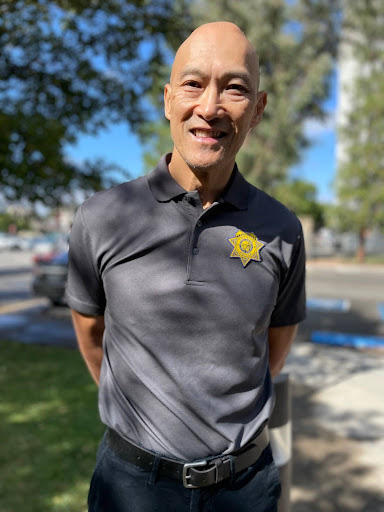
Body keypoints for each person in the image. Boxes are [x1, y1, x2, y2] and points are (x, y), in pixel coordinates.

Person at [66, 21, 306, 512]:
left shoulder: (283, 227)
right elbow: (91, 334)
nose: (211, 107)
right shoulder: (102, 216)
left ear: (257, 109)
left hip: (246, 489)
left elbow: (273, 347)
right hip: (131, 487)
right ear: (168, 98)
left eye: (235, 88)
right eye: (194, 84)